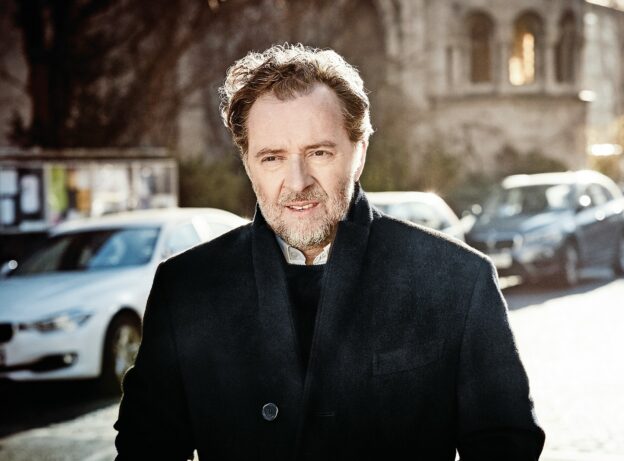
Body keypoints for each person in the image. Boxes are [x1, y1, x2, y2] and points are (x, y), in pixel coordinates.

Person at [114, 44, 545, 461]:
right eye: (272, 158)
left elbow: (506, 447)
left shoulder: (459, 280)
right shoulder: (185, 288)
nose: (297, 181)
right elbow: (145, 449)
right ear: (247, 164)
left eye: (318, 152)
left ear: (359, 153)